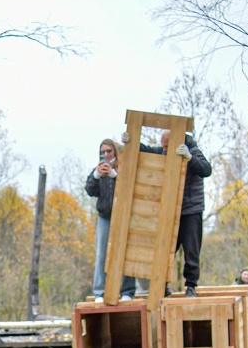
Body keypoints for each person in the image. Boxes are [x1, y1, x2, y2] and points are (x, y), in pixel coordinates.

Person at [123, 128, 212, 297]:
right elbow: (147, 151)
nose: (163, 149)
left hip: (191, 210)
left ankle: (191, 286)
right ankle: (162, 285)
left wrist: (190, 158)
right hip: (171, 210)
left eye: (166, 146)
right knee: (164, 249)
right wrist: (131, 142)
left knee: (191, 251)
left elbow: (206, 170)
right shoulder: (164, 151)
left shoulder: (192, 150)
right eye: (162, 146)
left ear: (177, 142)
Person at [85, 139, 136, 303]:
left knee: (126, 253)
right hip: (105, 217)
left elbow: (128, 188)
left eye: (109, 151)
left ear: (115, 151)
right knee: (101, 254)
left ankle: (127, 291)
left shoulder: (123, 169)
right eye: (103, 152)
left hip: (123, 216)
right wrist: (96, 175)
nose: (106, 154)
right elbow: (90, 190)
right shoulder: (98, 170)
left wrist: (114, 176)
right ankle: (99, 292)